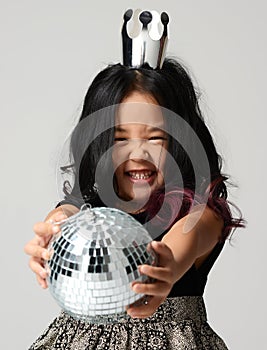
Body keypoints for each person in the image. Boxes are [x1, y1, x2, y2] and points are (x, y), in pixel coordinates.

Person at [24, 10, 244, 350]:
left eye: (155, 138)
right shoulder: (87, 212)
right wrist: (51, 237)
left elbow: (182, 243)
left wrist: (162, 267)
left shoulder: (202, 215)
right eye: (119, 138)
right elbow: (64, 218)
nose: (136, 153)